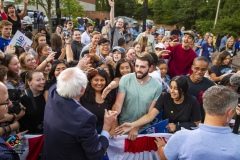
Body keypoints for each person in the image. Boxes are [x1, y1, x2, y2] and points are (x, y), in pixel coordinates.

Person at [43, 67, 118, 160]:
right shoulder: (85, 118)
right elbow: (96, 154)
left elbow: (59, 83)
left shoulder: (52, 93)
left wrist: (85, 73)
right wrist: (106, 127)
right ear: (82, 90)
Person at [154, 86, 240, 160]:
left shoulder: (181, 137)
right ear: (230, 112)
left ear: (205, 106)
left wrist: (161, 147)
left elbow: (164, 157)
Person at [115, 76, 201, 134]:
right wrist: (132, 125)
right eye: (171, 87)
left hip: (185, 135)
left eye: (176, 89)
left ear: (183, 90)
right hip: (167, 135)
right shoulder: (165, 97)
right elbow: (150, 115)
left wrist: (177, 127)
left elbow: (197, 123)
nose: (172, 91)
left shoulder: (192, 100)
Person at [112, 53, 162, 140]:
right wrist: (113, 124)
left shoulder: (157, 87)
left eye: (142, 67)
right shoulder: (125, 79)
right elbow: (118, 104)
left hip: (143, 131)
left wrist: (136, 127)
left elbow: (150, 114)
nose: (138, 69)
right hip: (122, 129)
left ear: (150, 68)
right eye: (137, 66)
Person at [80, 68, 115, 134]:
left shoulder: (109, 96)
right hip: (86, 133)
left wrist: (113, 129)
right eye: (96, 80)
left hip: (104, 132)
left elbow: (113, 115)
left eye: (102, 80)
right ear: (90, 81)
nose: (99, 83)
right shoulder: (83, 94)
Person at [185, 56, 215, 122]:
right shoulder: (182, 81)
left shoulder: (210, 85)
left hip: (200, 121)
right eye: (196, 68)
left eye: (203, 69)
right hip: (182, 119)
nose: (199, 71)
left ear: (207, 69)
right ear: (192, 67)